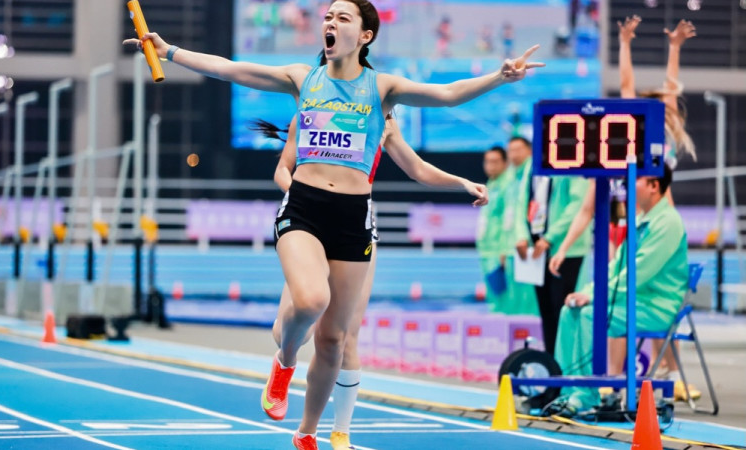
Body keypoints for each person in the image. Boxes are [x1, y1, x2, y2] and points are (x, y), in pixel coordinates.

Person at [127, 1, 541, 446]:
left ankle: (308, 433)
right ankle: (285, 363)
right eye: (328, 16)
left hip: (353, 217)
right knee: (311, 300)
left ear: (364, 36)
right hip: (304, 207)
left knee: (334, 340)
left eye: (343, 17)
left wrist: (499, 78)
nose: (330, 21)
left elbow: (446, 94)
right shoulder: (303, 80)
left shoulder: (382, 90)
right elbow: (231, 69)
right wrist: (170, 52)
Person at [264, 112, 491, 449]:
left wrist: (461, 182)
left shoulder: (384, 121)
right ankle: (285, 361)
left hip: (356, 228)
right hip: (307, 220)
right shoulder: (312, 110)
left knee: (344, 338)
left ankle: (333, 432)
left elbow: (417, 168)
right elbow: (283, 169)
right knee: (297, 325)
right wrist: (303, 197)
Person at [547, 16, 699, 401]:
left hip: (655, 221)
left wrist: (675, 48)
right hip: (621, 225)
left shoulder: (660, 143)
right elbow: (628, 88)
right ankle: (608, 377)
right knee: (615, 292)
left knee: (639, 290)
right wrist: (624, 44)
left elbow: (670, 89)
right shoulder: (625, 145)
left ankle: (666, 371)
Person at [554, 167, 688, 414]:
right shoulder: (640, 221)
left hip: (655, 308)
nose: (627, 185)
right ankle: (565, 390)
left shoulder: (668, 222)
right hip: (631, 303)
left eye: (636, 179)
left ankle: (585, 396)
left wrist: (594, 297)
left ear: (654, 186)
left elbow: (639, 273)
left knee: (589, 315)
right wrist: (588, 291)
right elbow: (615, 267)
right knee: (570, 311)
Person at [514, 166, 590, 356]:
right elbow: (522, 201)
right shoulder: (531, 164)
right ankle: (552, 362)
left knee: (561, 311)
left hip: (567, 249)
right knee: (546, 313)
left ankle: (566, 362)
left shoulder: (569, 160)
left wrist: (550, 237)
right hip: (537, 250)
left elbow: (578, 206)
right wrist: (522, 236)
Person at [498, 137, 539, 316]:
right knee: (514, 299)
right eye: (510, 150)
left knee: (529, 299)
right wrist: (503, 247)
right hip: (511, 245)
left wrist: (526, 237)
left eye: (518, 149)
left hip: (528, 244)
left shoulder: (533, 172)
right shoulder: (510, 177)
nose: (513, 154)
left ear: (529, 150)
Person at [476, 146, 511, 311]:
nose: (490, 166)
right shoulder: (491, 184)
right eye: (488, 161)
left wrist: (504, 249)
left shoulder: (508, 185)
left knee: (503, 297)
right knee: (493, 295)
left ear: (505, 163)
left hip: (498, 251)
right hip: (487, 250)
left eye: (495, 161)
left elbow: (509, 220)